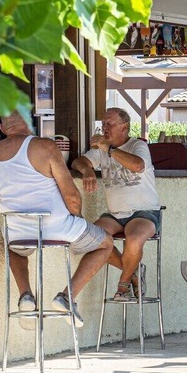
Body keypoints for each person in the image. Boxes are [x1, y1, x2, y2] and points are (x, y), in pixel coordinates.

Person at [0, 112, 113, 327]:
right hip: (56, 227)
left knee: (14, 246)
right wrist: (78, 219)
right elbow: (71, 196)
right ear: (29, 121)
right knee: (106, 243)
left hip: (16, 228)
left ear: (1, 129)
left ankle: (26, 295)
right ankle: (66, 297)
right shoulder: (45, 146)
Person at [72, 107, 160, 303]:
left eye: (109, 124)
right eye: (103, 124)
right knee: (91, 237)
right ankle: (133, 271)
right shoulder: (101, 150)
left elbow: (138, 165)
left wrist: (109, 149)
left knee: (134, 238)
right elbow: (78, 162)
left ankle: (123, 284)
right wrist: (87, 170)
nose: (104, 127)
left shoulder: (137, 145)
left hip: (144, 212)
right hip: (115, 215)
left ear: (124, 127)